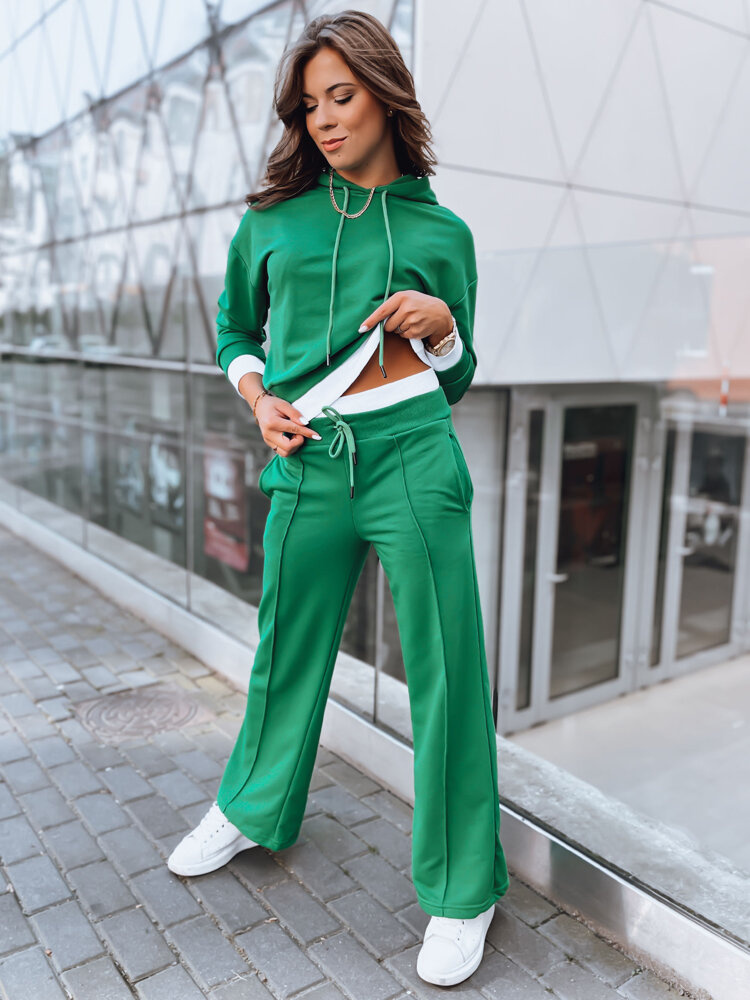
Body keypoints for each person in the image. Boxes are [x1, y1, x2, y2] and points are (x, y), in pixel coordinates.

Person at [167, 9, 510, 987]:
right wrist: (257, 400)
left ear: (384, 95)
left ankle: (464, 887)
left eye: (341, 96)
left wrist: (443, 328)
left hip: (413, 458)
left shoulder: (444, 232)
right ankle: (252, 806)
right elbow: (234, 330)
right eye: (308, 104)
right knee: (285, 649)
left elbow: (457, 374)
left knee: (447, 669)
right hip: (308, 460)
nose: (322, 119)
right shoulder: (272, 220)